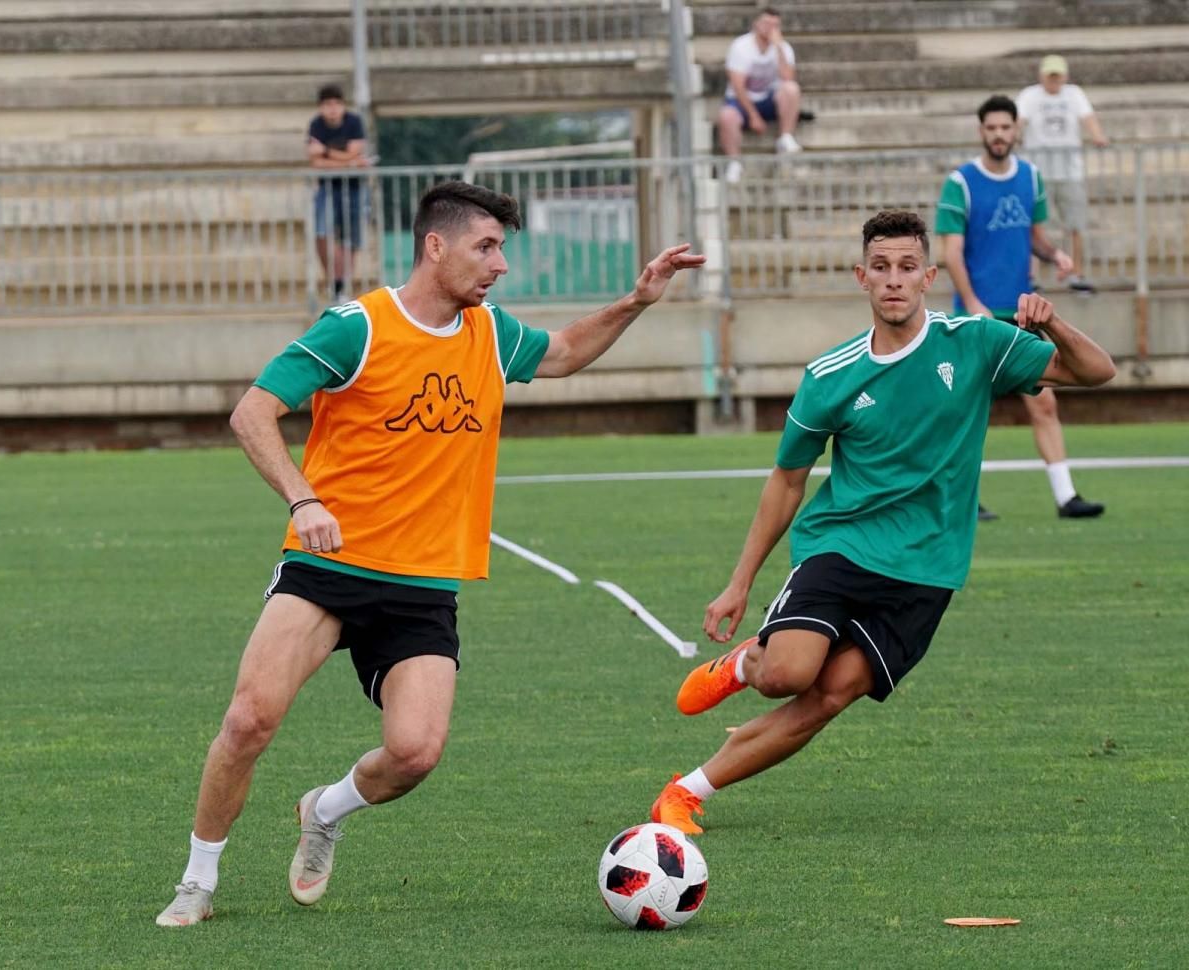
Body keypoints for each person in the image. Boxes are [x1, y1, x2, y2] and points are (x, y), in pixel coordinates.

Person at [156, 181, 705, 927]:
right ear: (434, 246)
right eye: (486, 247)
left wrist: (638, 299)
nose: (500, 265)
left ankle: (326, 809)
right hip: (329, 568)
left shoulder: (492, 333)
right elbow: (253, 410)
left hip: (422, 582)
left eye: (502, 249)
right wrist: (302, 499)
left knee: (413, 755)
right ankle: (198, 881)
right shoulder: (358, 327)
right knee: (250, 720)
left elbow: (568, 352)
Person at [648, 210, 1115, 836]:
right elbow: (788, 480)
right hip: (842, 545)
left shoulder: (977, 343)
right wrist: (738, 583)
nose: (893, 280)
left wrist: (1051, 319)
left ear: (927, 277)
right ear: (861, 277)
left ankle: (685, 792)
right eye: (881, 268)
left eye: (906, 268)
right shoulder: (830, 377)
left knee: (831, 693)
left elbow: (1096, 371)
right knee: (786, 673)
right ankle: (745, 665)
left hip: (930, 566)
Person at [936, 94, 1105, 521]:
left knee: (1044, 403)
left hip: (1024, 313)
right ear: (981, 132)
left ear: (1016, 130)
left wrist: (1056, 256)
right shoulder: (961, 183)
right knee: (966, 412)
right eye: (990, 128)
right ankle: (961, 500)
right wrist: (974, 304)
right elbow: (951, 253)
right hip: (977, 317)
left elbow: (1033, 236)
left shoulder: (1030, 178)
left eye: (1005, 127)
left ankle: (1066, 497)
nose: (998, 135)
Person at [1017, 55, 1110, 293]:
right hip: (1038, 172)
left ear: (1065, 76)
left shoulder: (1074, 94)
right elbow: (1020, 121)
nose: (1054, 81)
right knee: (1035, 226)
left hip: (1070, 171)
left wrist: (1097, 134)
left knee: (1075, 224)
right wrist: (1015, 135)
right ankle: (1032, 276)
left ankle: (1076, 273)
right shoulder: (1030, 95)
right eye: (1050, 76)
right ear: (1042, 76)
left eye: (1058, 76)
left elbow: (1088, 118)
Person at [719, 6, 803, 185]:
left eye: (775, 25)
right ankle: (734, 162)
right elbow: (738, 85)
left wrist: (779, 48)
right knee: (726, 116)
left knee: (791, 89)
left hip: (768, 99)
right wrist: (753, 116)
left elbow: (788, 77)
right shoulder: (741, 46)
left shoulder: (783, 47)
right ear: (756, 24)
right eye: (766, 23)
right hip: (741, 101)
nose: (770, 28)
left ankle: (785, 137)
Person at [307, 84, 372, 302]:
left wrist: (326, 152)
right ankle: (333, 280)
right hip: (327, 187)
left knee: (350, 239)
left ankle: (342, 285)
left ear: (342, 106)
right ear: (321, 107)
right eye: (327, 104)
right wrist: (349, 161)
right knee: (322, 233)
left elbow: (356, 152)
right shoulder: (316, 125)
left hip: (353, 187)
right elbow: (315, 163)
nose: (332, 109)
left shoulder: (353, 122)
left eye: (336, 104)